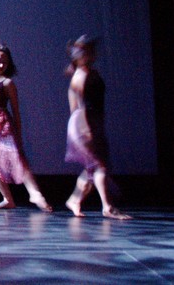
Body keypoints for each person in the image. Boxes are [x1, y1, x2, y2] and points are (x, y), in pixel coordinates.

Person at [0, 43, 52, 212]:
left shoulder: (8, 83)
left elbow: (16, 111)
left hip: (2, 124)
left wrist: (19, 133)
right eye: (0, 60)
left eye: (6, 62)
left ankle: (36, 194)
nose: (2, 64)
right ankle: (8, 199)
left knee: (17, 159)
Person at [64, 35, 131, 219]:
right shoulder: (80, 76)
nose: (89, 54)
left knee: (94, 167)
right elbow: (77, 107)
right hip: (84, 123)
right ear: (78, 55)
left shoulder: (91, 72)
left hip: (93, 122)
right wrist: (87, 130)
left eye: (90, 50)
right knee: (99, 166)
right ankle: (108, 207)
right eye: (84, 50)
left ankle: (74, 200)